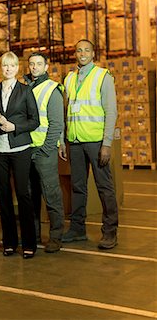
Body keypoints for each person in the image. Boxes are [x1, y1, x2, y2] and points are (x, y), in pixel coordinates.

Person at [59, 39, 118, 249]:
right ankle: (77, 229)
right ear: (75, 54)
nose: (82, 53)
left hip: (96, 142)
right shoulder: (69, 78)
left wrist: (107, 143)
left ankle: (110, 232)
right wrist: (62, 141)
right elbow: (65, 112)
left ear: (93, 54)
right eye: (78, 50)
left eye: (86, 50)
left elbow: (111, 111)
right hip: (74, 141)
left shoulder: (103, 76)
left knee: (104, 187)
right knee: (78, 187)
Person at [0, 51, 39, 259]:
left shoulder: (26, 92)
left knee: (23, 195)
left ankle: (29, 243)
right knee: (4, 195)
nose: (8, 69)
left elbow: (35, 121)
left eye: (12, 66)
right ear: (1, 68)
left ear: (18, 68)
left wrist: (14, 126)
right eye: (5, 66)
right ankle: (9, 242)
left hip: (19, 149)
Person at [24, 52, 65, 253]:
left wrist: (46, 149)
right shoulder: (24, 87)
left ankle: (56, 236)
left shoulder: (52, 89)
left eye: (39, 64)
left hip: (43, 152)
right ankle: (34, 235)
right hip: (26, 150)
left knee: (51, 194)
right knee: (31, 196)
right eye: (31, 64)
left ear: (46, 67)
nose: (35, 67)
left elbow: (57, 124)